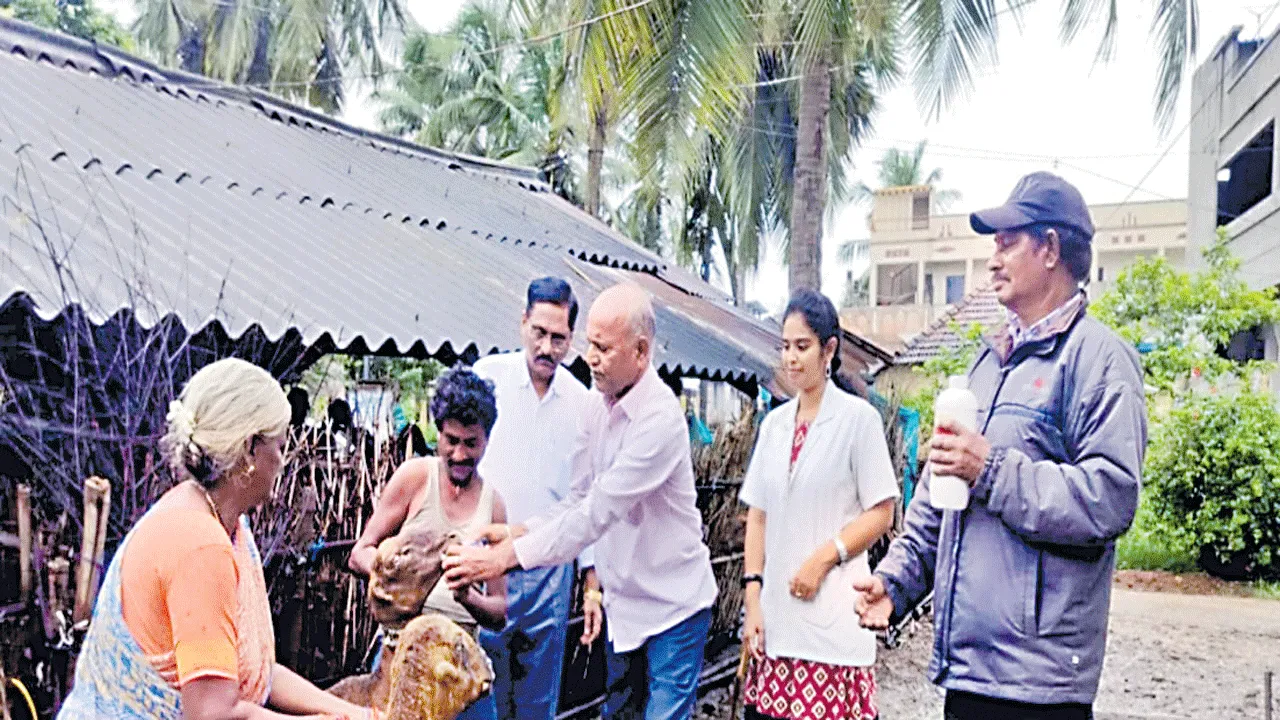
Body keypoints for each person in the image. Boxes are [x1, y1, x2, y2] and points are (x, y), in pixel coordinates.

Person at [854, 172, 1148, 720]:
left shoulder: (1100, 361)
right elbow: (941, 493)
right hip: (970, 672)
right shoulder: (987, 364)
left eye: (1007, 243)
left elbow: (1109, 497)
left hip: (1039, 685)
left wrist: (990, 468)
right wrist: (896, 580)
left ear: (1051, 249)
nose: (993, 261)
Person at [442, 283, 718, 720]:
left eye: (603, 348)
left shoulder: (659, 421)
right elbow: (578, 497)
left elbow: (597, 512)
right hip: (625, 604)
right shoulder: (595, 404)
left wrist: (503, 558)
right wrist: (518, 530)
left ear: (641, 352)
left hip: (674, 605)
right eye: (589, 344)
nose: (589, 357)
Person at [58, 358, 374, 720]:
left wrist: (355, 714)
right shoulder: (200, 545)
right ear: (250, 449)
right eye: (280, 446)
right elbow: (213, 713)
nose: (283, 461)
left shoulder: (221, 521)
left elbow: (257, 673)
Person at [738, 289, 898, 720]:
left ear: (828, 350)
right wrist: (753, 598)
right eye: (785, 346)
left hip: (834, 622)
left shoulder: (858, 420)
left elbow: (882, 512)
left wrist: (825, 558)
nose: (791, 359)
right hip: (777, 622)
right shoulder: (773, 426)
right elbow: (758, 517)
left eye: (802, 346)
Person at [471, 277, 599, 720]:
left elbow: (588, 498)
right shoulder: (487, 378)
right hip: (487, 563)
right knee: (479, 692)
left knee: (537, 702)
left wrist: (591, 583)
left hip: (549, 571)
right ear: (523, 321)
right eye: (539, 333)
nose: (546, 347)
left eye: (558, 338)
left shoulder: (582, 403)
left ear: (572, 339)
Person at [348, 367, 507, 720]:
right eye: (451, 440)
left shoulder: (493, 506)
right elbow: (359, 552)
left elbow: (499, 611)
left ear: (487, 440)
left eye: (471, 443)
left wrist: (467, 596)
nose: (460, 454)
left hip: (461, 672)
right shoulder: (416, 478)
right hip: (403, 660)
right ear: (438, 432)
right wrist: (394, 574)